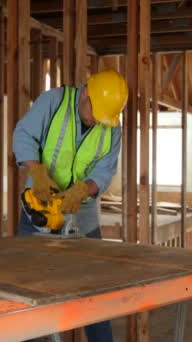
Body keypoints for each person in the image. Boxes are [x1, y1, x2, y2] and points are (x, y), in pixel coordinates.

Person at [12, 70, 127, 342]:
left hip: (81, 213)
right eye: (94, 113)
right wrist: (36, 172)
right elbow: (23, 135)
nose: (97, 120)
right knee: (24, 289)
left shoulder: (111, 124)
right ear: (85, 92)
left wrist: (82, 191)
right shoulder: (54, 102)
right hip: (41, 205)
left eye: (103, 117)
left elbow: (104, 170)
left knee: (94, 292)